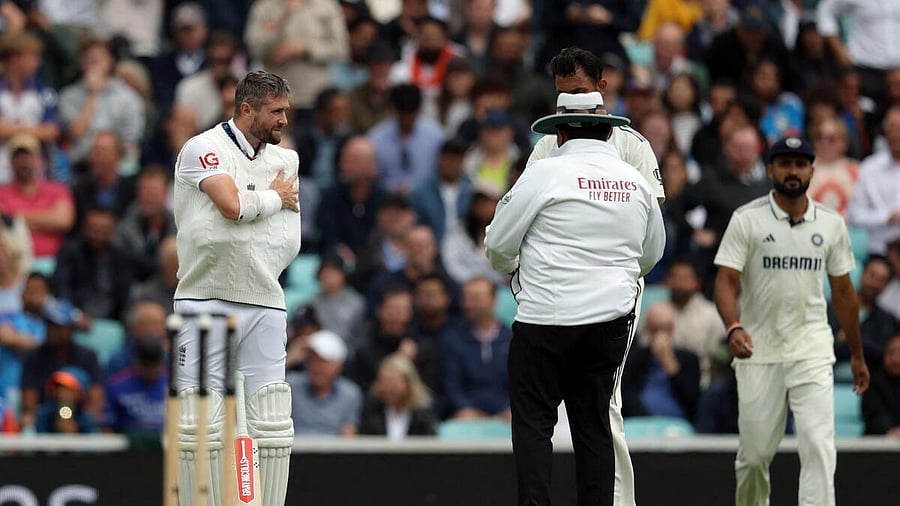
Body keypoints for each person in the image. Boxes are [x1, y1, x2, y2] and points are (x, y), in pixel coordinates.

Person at [485, 91, 665, 506]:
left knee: (533, 425)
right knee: (594, 426)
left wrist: (518, 264)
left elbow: (497, 246)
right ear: (607, 132)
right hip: (608, 323)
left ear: (560, 133)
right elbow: (651, 253)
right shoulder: (634, 180)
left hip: (545, 320)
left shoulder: (543, 173)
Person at [713, 135, 871, 506]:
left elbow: (844, 292)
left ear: (812, 171)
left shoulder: (831, 223)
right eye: (785, 164)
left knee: (818, 447)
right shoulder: (747, 219)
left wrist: (857, 355)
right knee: (754, 457)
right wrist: (733, 326)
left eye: (800, 164)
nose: (793, 171)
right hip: (759, 349)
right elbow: (726, 280)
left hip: (811, 347)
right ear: (770, 169)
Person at [172, 70, 300, 506]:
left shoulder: (286, 161)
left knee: (272, 422)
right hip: (203, 299)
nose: (284, 120)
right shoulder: (203, 148)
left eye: (286, 110)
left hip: (265, 300)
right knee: (198, 425)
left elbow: (286, 240)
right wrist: (271, 199)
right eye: (276, 111)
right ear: (247, 109)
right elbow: (230, 207)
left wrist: (252, 208)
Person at [287, 329, 362, 437]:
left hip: (334, 447)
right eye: (311, 359)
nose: (315, 366)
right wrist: (289, 359)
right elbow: (266, 386)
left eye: (322, 361)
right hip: (293, 446)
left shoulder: (350, 394)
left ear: (338, 366)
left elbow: (349, 434)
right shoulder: (291, 385)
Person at [359, 352, 438, 438]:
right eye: (384, 383)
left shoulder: (423, 412)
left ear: (408, 383)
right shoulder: (371, 410)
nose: (388, 389)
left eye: (393, 384)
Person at [862, 333, 900, 437]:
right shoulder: (873, 382)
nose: (895, 360)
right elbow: (874, 413)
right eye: (891, 353)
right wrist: (890, 431)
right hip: (879, 438)